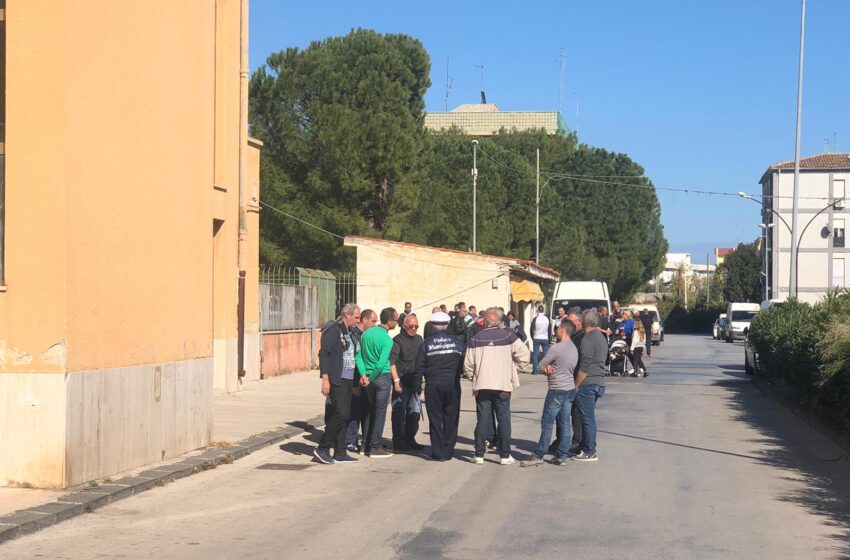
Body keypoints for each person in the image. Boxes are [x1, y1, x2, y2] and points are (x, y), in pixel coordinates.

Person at [464, 308, 531, 465]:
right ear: (500, 321)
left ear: (485, 321)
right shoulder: (508, 335)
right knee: (504, 419)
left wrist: (474, 377)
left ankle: (479, 454)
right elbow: (525, 355)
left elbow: (467, 365)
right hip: (502, 385)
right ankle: (505, 455)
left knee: (483, 420)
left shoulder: (476, 338)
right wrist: (514, 370)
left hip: (483, 385)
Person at [521, 320, 579, 467]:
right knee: (565, 422)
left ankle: (539, 454)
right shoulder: (574, 348)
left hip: (556, 388)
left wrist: (546, 367)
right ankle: (562, 455)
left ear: (564, 330)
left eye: (558, 328)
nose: (556, 330)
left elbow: (539, 366)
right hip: (569, 388)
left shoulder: (556, 348)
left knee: (547, 422)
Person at [314, 303, 361, 465]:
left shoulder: (349, 331)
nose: (358, 320)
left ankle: (340, 452)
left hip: (348, 378)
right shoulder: (333, 330)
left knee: (344, 415)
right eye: (356, 317)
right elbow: (324, 354)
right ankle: (323, 447)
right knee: (340, 413)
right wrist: (325, 379)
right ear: (347, 315)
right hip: (336, 379)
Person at [415, 311, 465, 461]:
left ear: (432, 326)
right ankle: (448, 450)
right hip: (453, 385)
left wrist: (418, 387)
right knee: (451, 417)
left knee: (435, 418)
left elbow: (419, 367)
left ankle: (437, 452)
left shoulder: (426, 344)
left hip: (433, 385)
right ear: (447, 324)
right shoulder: (458, 343)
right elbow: (464, 365)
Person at [356, 307, 399, 457]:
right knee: (380, 412)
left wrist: (364, 375)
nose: (397, 323)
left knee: (368, 411)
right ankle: (375, 446)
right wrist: (371, 377)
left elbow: (358, 356)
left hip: (367, 375)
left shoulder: (366, 333)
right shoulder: (387, 339)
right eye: (396, 320)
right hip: (380, 377)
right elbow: (381, 364)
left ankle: (365, 444)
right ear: (389, 321)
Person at [572, 309, 607, 462]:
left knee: (587, 418)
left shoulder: (587, 339)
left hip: (588, 383)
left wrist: (576, 385)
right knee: (588, 417)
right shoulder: (600, 337)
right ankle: (586, 448)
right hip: (599, 381)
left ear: (583, 322)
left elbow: (584, 366)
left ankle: (590, 451)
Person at [390, 314, 425, 451]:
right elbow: (391, 362)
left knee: (414, 415)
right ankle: (399, 443)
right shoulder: (397, 341)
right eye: (411, 326)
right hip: (401, 384)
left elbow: (423, 360)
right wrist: (396, 382)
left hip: (415, 384)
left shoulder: (419, 339)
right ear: (404, 326)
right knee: (399, 414)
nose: (414, 328)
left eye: (416, 326)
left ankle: (410, 439)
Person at [346, 309, 377, 453]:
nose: (375, 324)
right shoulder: (354, 336)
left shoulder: (367, 336)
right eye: (373, 321)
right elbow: (351, 360)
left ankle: (366, 440)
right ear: (365, 320)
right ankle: (350, 440)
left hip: (367, 380)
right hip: (355, 378)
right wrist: (354, 383)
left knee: (367, 411)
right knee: (355, 412)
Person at [530, 305, 551, 375]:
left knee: (535, 354)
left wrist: (532, 337)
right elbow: (549, 329)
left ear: (538, 310)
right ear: (543, 310)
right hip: (545, 338)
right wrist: (549, 338)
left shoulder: (535, 319)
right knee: (546, 354)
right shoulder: (546, 319)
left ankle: (535, 370)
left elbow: (531, 329)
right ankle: (546, 369)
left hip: (536, 337)